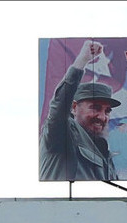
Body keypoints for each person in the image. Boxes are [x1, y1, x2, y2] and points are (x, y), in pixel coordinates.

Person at [39, 40, 120, 181]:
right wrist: (82, 60)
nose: (102, 117)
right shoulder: (62, 134)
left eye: (107, 111)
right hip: (59, 203)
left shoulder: (104, 153)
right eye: (95, 108)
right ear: (74, 108)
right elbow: (59, 105)